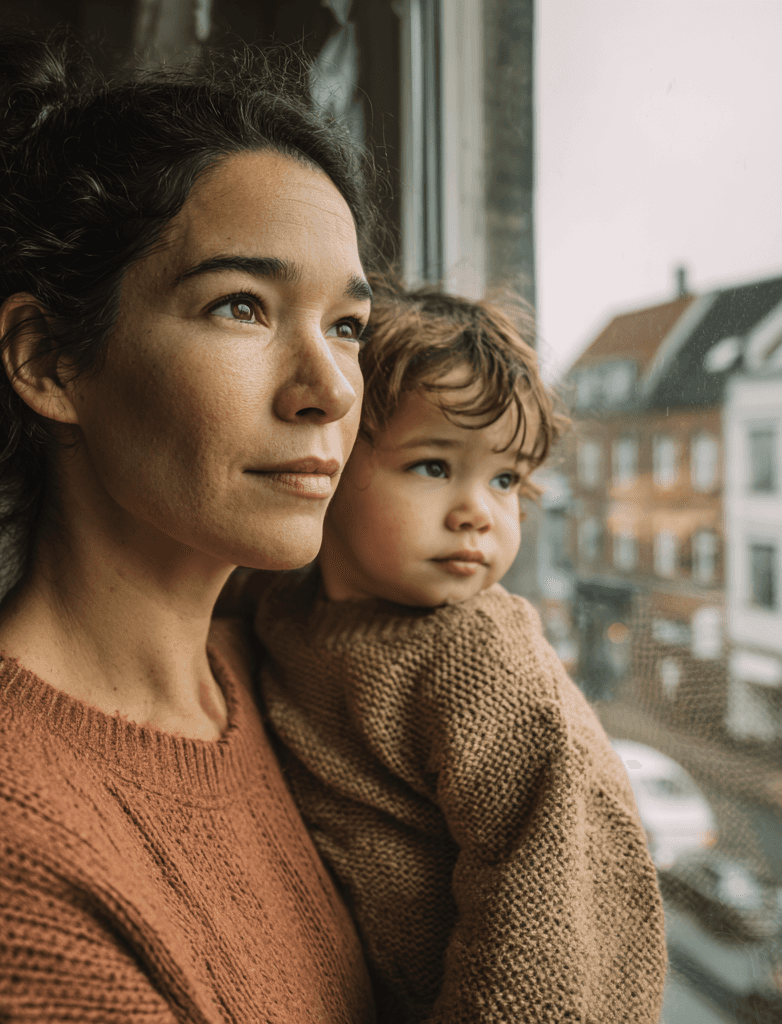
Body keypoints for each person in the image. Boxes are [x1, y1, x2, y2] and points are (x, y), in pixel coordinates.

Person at [0, 28, 382, 1021]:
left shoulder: (301, 688)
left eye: (347, 325)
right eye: (241, 305)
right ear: (48, 361)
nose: (329, 388)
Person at [253, 277, 668, 1023]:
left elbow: (546, 901)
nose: (480, 512)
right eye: (435, 466)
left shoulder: (480, 654)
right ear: (332, 462)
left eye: (507, 478)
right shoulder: (280, 608)